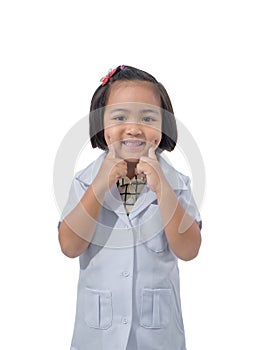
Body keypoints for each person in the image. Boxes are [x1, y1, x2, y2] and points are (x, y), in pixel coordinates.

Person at [58, 65, 202, 350]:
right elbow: (69, 246)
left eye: (148, 118)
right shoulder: (85, 182)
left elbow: (189, 250)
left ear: (164, 126)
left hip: (157, 335)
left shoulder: (177, 184)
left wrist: (162, 189)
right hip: (97, 334)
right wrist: (99, 187)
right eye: (120, 117)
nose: (134, 128)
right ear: (102, 124)